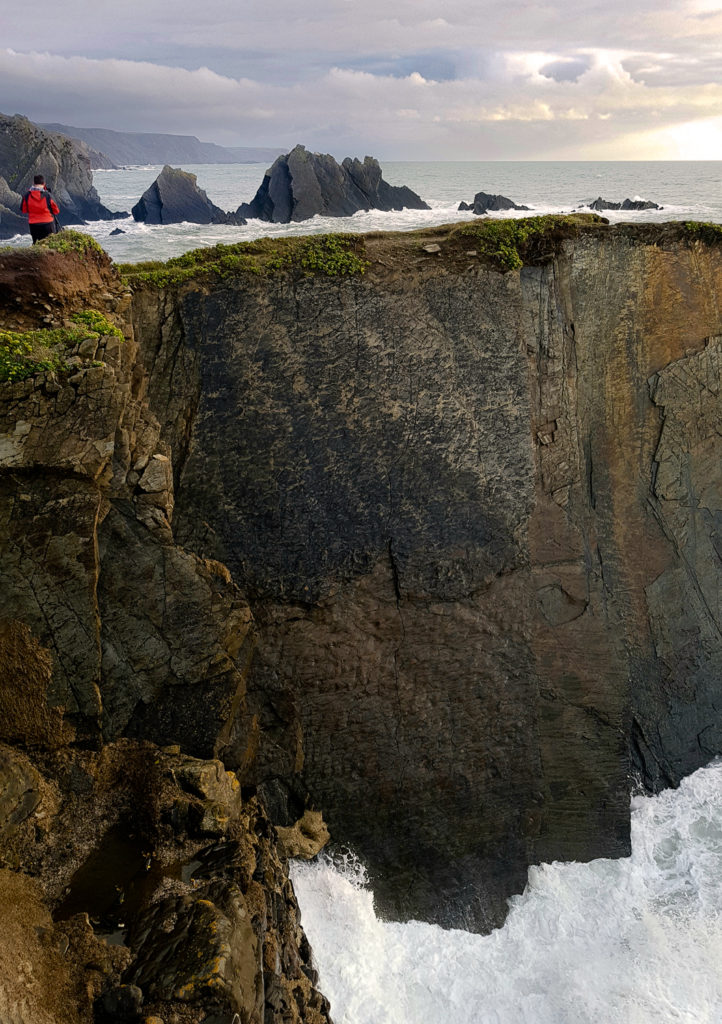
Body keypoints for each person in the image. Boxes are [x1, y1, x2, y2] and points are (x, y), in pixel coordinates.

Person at [21, 175, 60, 243]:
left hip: (33, 224)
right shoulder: (47, 195)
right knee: (51, 243)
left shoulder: (27, 195)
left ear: (33, 183)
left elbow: (23, 210)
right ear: (44, 183)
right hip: (47, 223)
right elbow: (56, 211)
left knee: (36, 243)